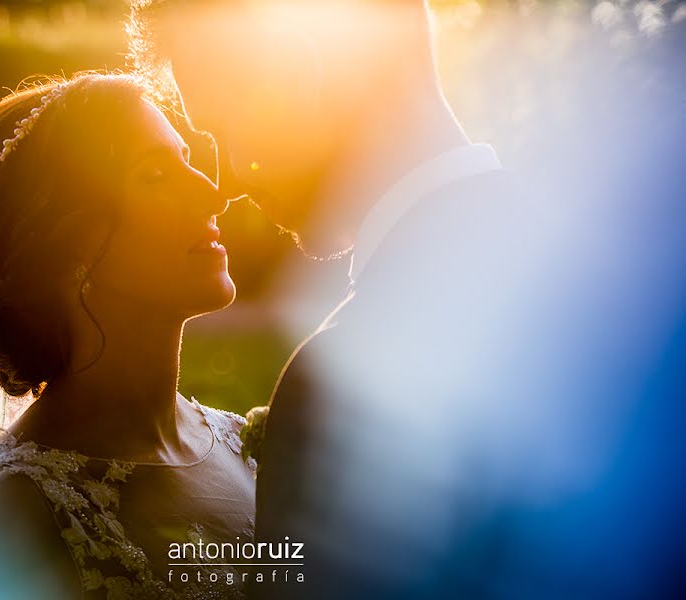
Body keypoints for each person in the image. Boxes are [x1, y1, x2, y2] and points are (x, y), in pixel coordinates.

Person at [128, 1, 686, 598]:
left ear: (294, 72)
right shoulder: (642, 277)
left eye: (222, 126)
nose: (231, 179)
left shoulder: (343, 381)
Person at [0, 72, 256, 600]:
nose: (212, 194)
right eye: (158, 174)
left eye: (189, 159)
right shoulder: (20, 509)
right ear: (69, 247)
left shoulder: (249, 446)